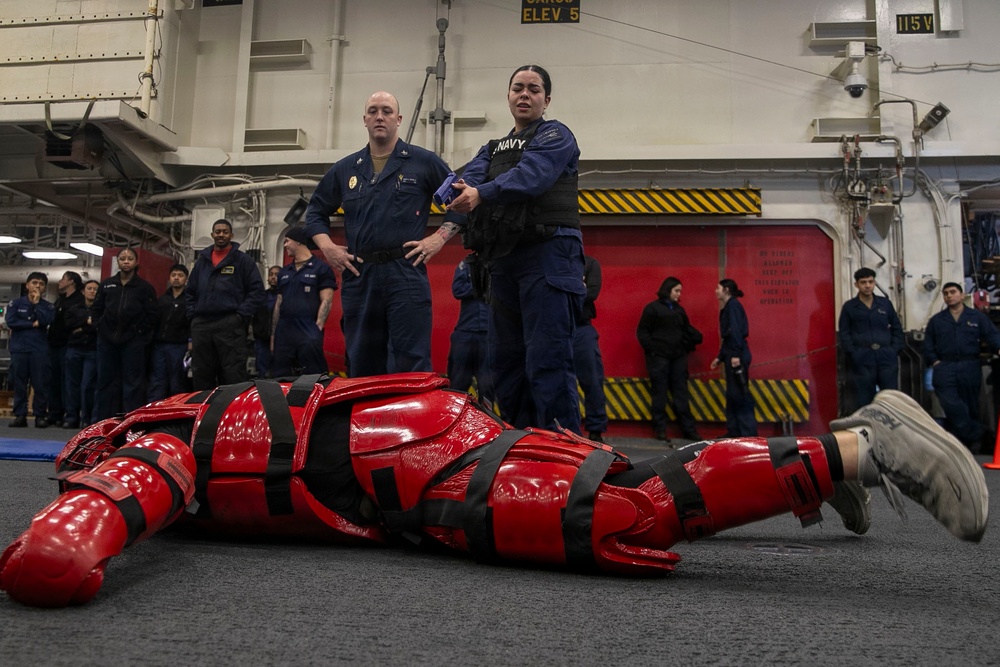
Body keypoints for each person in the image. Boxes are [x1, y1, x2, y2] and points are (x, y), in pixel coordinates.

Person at [0, 379, 988, 609]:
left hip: (405, 463)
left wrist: (71, 525)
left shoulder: (144, 441)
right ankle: (826, 454)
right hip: (411, 439)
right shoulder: (181, 416)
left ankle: (864, 447)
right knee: (624, 481)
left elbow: (64, 540)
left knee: (612, 514)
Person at [447, 64, 586, 433]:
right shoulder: (492, 148)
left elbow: (532, 174)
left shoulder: (556, 135)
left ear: (547, 99)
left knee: (548, 362)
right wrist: (455, 189)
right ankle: (520, 453)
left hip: (548, 259)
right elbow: (471, 176)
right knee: (506, 365)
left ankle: (567, 458)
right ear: (508, 96)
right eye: (518, 88)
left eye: (534, 89)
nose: (525, 94)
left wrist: (481, 193)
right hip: (504, 262)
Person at [303, 91, 464, 377]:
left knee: (411, 363)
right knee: (362, 362)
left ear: (398, 119)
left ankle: (411, 422)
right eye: (373, 111)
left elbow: (461, 203)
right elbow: (314, 212)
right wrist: (327, 247)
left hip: (405, 273)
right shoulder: (345, 169)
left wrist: (438, 238)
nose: (380, 116)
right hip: (359, 275)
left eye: (387, 111)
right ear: (364, 119)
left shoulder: (423, 162)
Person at [185, 219, 265, 390]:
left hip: (230, 325)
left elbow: (257, 291)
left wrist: (240, 316)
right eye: (218, 231)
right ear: (212, 235)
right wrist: (193, 315)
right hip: (202, 326)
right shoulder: (202, 262)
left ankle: (233, 414)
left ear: (231, 235)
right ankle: (204, 413)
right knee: (201, 373)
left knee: (233, 374)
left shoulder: (243, 261)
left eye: (225, 231)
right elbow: (190, 291)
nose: (221, 234)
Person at [923, 281, 1000, 453]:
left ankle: (966, 445)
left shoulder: (976, 317)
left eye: (952, 292)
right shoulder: (937, 320)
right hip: (945, 367)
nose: (949, 296)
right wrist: (935, 361)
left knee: (970, 405)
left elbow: (992, 335)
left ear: (961, 294)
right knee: (951, 404)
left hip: (969, 365)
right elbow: (928, 345)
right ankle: (979, 433)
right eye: (946, 293)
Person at [92, 247, 159, 420]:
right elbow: (97, 309)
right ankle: (101, 422)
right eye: (122, 258)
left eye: (130, 258)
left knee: (133, 384)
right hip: (107, 341)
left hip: (132, 342)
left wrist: (138, 332)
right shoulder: (107, 284)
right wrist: (101, 327)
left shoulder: (144, 288)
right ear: (118, 262)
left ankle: (131, 422)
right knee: (104, 382)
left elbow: (152, 315)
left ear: (136, 262)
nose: (126, 261)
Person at [637, 276, 703, 443]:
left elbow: (687, 330)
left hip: (677, 358)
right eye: (676, 290)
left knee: (681, 394)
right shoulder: (652, 309)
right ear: (668, 290)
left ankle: (688, 430)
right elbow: (643, 332)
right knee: (659, 395)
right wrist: (653, 350)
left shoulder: (679, 310)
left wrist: (695, 338)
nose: (679, 294)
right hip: (659, 359)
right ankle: (660, 430)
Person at [270, 227, 337, 377]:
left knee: (312, 377)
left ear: (298, 242)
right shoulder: (284, 272)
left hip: (307, 329)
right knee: (281, 377)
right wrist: (274, 335)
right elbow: (278, 303)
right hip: (284, 331)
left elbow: (326, 300)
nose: (285, 245)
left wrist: (317, 329)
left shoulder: (321, 269)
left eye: (287, 241)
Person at [838, 267, 904, 413]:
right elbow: (844, 333)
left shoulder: (885, 304)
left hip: (886, 356)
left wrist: (894, 350)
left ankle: (890, 433)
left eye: (870, 282)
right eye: (863, 282)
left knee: (890, 398)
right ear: (856, 284)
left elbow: (897, 328)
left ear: (874, 283)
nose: (867, 286)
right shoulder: (850, 307)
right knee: (863, 400)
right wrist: (854, 353)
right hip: (862, 358)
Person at [4, 272, 55, 428]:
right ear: (27, 285)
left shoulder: (48, 306)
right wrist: (31, 324)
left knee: (40, 384)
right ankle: (20, 415)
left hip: (39, 350)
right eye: (34, 282)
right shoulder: (15, 304)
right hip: (19, 349)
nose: (37, 286)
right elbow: (11, 322)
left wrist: (36, 305)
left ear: (45, 287)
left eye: (41, 283)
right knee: (19, 383)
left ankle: (40, 415)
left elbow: (46, 320)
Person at [710, 278, 757, 436]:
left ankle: (747, 433)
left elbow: (736, 331)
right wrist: (720, 357)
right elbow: (728, 336)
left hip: (737, 354)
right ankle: (735, 431)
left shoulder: (733, 307)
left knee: (740, 394)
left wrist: (735, 355)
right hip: (731, 352)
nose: (716, 291)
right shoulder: (729, 307)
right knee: (733, 394)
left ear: (726, 290)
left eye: (718, 288)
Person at [447, 253, 494, 406]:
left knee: (489, 386)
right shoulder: (467, 264)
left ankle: (491, 423)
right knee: (458, 384)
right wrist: (479, 286)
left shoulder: (497, 264)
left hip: (489, 334)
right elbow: (457, 290)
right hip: (465, 332)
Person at [573, 255, 609, 442]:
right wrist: (579, 286)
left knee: (592, 381)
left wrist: (565, 288)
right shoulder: (554, 260)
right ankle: (564, 427)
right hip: (555, 330)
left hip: (581, 329)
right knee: (556, 382)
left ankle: (595, 430)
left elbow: (592, 293)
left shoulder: (590, 263)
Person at [148, 264, 192, 402]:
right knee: (157, 381)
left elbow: (193, 322)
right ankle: (153, 413)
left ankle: (176, 412)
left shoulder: (189, 301)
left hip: (179, 346)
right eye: (173, 275)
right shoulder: (162, 299)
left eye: (180, 275)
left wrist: (191, 341)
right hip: (160, 346)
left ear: (186, 279)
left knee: (177, 381)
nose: (176, 278)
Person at [47, 272, 83, 427]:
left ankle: (70, 414)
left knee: (68, 382)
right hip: (53, 344)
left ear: (72, 282)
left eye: (63, 279)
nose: (60, 281)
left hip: (68, 345)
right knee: (53, 380)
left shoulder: (78, 301)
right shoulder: (60, 300)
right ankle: (54, 413)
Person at [62, 280, 99, 428]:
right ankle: (71, 417)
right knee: (71, 384)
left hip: (92, 350)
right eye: (89, 288)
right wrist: (86, 322)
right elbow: (68, 325)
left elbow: (98, 326)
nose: (92, 291)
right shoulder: (73, 308)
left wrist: (81, 327)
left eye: (95, 289)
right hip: (74, 349)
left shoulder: (101, 310)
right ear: (83, 291)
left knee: (88, 385)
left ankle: (87, 418)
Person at [252, 265, 281, 378]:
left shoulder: (285, 296)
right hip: (262, 338)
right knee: (262, 370)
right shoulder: (261, 296)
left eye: (277, 275)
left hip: (280, 340)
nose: (273, 277)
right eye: (271, 274)